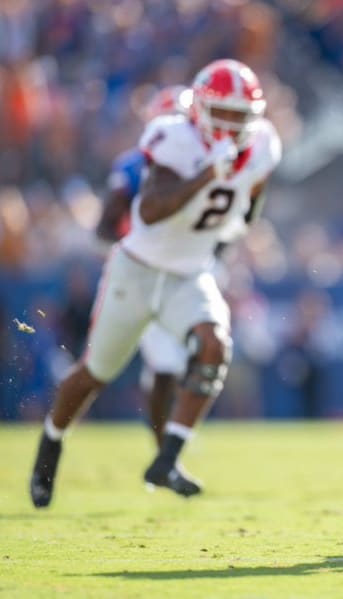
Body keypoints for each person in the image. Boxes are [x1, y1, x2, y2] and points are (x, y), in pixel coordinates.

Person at [30, 59, 282, 507]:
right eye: (221, 112)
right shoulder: (175, 138)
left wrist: (240, 220)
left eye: (239, 115)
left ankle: (167, 459)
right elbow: (148, 211)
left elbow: (252, 199)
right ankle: (51, 443)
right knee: (96, 373)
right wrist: (209, 173)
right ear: (200, 108)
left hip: (191, 271)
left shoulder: (263, 143)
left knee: (214, 345)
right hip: (139, 268)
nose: (229, 124)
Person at [96, 85, 190, 447]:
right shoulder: (135, 166)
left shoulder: (202, 164)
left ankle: (167, 445)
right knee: (159, 365)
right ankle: (163, 449)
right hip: (143, 273)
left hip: (184, 271)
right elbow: (105, 227)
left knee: (183, 359)